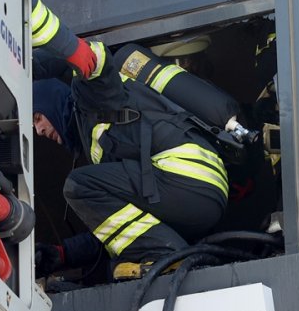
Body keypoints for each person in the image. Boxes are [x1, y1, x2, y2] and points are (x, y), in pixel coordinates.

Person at [32, 42, 228, 280]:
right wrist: (64, 254)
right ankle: (169, 256)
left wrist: (31, 65)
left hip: (185, 176)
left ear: (52, 99)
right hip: (200, 193)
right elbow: (123, 228)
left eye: (38, 117)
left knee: (78, 185)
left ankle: (167, 255)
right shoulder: (91, 139)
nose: (39, 130)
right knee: (117, 257)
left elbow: (96, 56)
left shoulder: (88, 98)